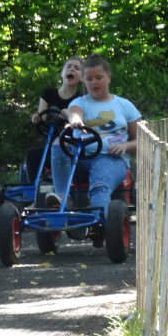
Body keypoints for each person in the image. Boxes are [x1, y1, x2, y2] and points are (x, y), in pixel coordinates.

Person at [48, 54, 143, 233]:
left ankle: (99, 226)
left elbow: (142, 141)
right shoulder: (79, 102)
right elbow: (74, 113)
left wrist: (126, 146)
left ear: (108, 77)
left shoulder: (125, 105)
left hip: (111, 157)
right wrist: (76, 121)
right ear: (84, 81)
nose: (94, 83)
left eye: (98, 78)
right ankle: (62, 196)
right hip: (79, 158)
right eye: (89, 79)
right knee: (58, 142)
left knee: (100, 185)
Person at [25, 56, 83, 182]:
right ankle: (32, 192)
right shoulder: (48, 93)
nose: (72, 69)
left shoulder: (81, 99)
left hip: (70, 143)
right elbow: (42, 117)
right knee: (32, 155)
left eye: (77, 68)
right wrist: (36, 119)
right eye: (69, 67)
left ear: (82, 78)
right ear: (62, 73)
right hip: (51, 140)